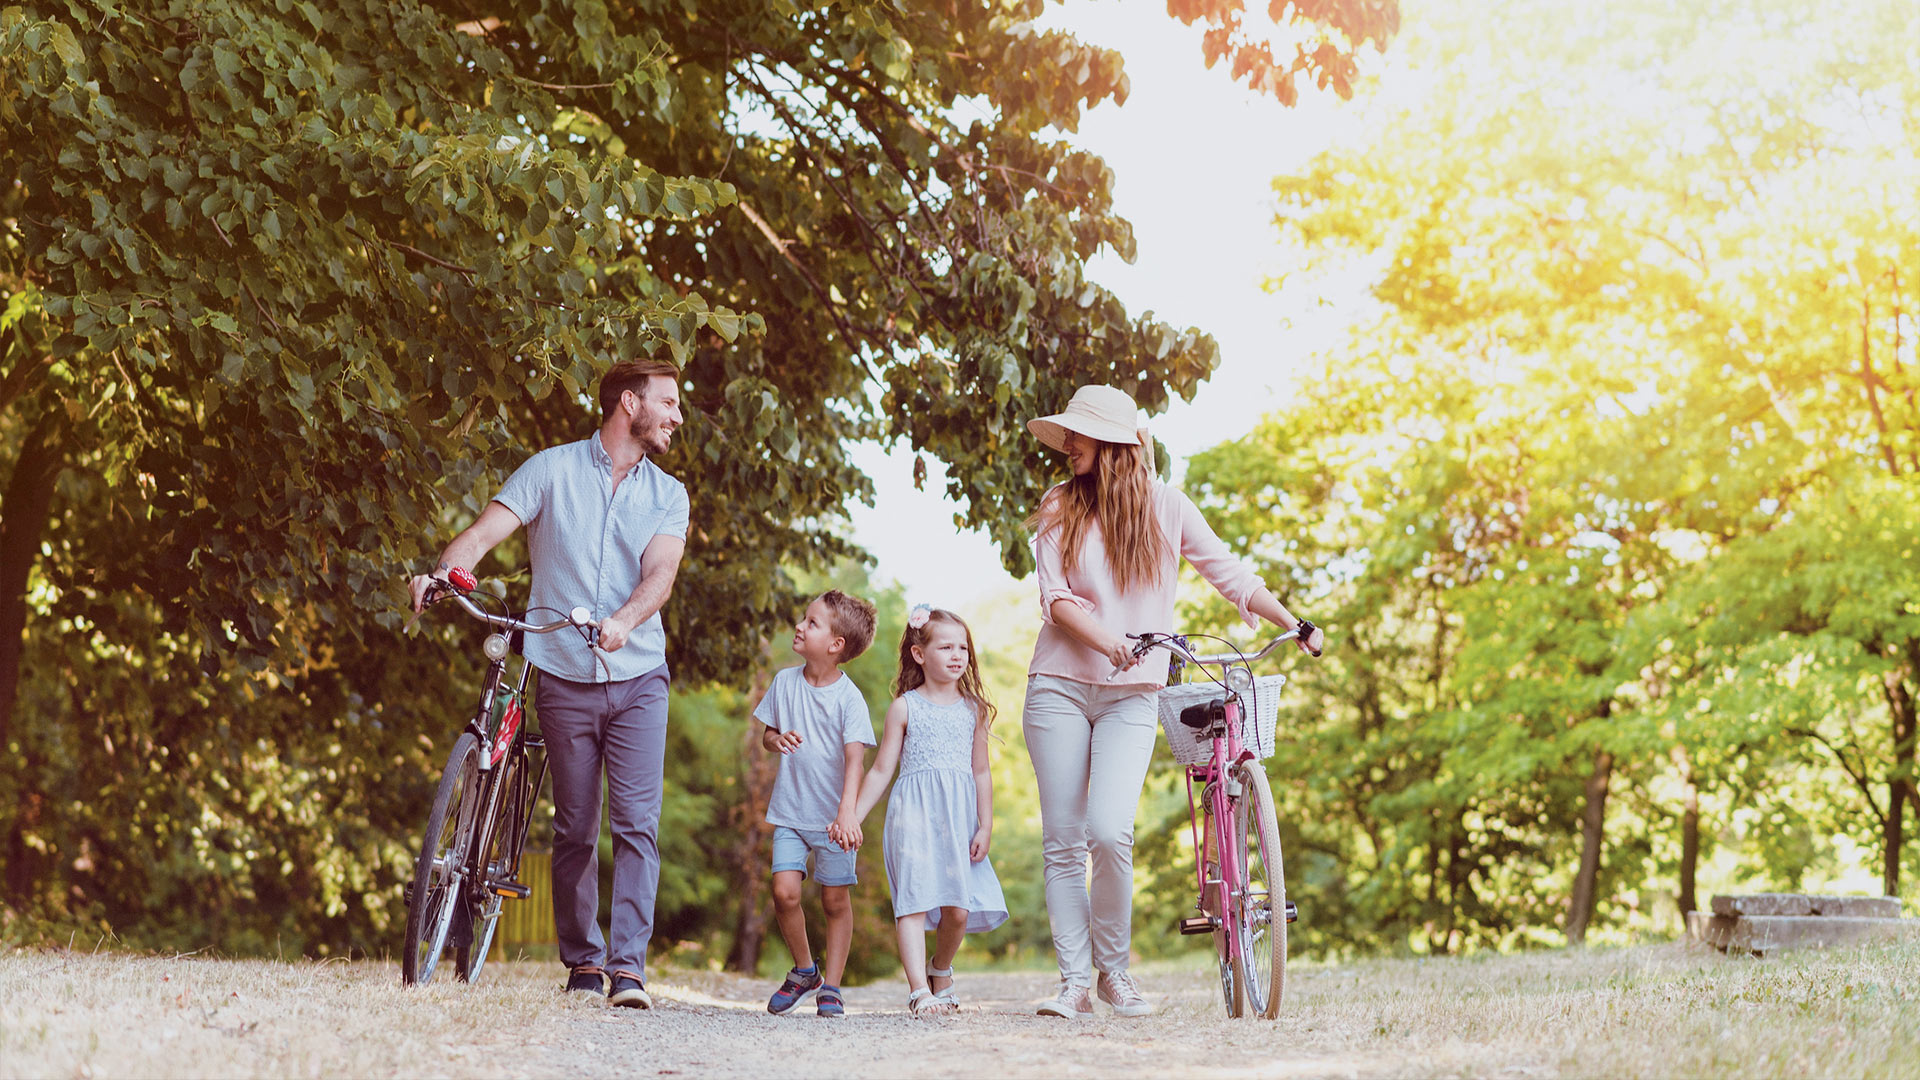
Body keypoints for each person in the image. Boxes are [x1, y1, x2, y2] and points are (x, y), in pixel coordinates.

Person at [1021, 384, 1320, 1020]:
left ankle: (1114, 974)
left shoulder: (1168, 507)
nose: (1067, 444)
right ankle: (1075, 981)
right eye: (1068, 433)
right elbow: (1056, 600)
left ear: (1114, 445)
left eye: (1079, 434)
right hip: (1061, 688)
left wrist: (1294, 623)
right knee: (1065, 840)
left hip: (1132, 695)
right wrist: (1110, 642)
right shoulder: (1058, 507)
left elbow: (1231, 575)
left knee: (1110, 829)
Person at [408, 359, 688, 1009]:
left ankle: (629, 971)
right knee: (575, 827)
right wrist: (442, 573)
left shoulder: (667, 495)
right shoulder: (551, 469)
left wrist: (624, 619)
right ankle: (584, 962)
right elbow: (481, 535)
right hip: (562, 673)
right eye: (668, 403)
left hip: (638, 674)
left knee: (637, 825)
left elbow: (661, 574)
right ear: (629, 403)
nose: (677, 416)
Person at [844, 605, 1008, 1018]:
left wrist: (985, 826)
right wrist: (853, 816)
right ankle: (919, 990)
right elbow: (882, 770)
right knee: (913, 903)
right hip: (912, 817)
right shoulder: (905, 707)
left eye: (963, 648)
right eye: (946, 646)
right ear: (920, 654)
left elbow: (982, 772)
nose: (957, 656)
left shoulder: (974, 711)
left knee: (958, 909)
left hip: (958, 820)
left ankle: (940, 968)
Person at [755, 589, 879, 1018]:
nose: (800, 626)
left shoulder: (850, 699)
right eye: (803, 619)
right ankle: (806, 970)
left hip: (833, 821)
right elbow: (768, 734)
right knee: (784, 892)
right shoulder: (784, 683)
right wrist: (777, 739)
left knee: (834, 902)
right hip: (790, 812)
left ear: (835, 645)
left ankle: (835, 986)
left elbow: (855, 762)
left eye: (812, 622)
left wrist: (848, 813)